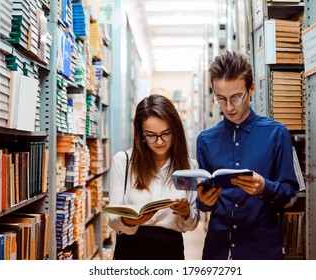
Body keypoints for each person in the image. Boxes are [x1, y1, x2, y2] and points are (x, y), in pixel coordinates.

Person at [196, 50, 299, 260]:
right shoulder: (205, 140)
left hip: (261, 250)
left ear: (251, 89)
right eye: (221, 99)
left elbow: (290, 193)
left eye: (236, 97)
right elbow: (202, 201)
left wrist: (264, 187)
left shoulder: (277, 133)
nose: (229, 107)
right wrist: (204, 201)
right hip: (217, 251)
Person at [107, 94, 200, 260]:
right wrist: (131, 221)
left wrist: (186, 213)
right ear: (141, 135)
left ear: (176, 131)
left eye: (165, 133)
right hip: (130, 250)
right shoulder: (123, 161)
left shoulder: (189, 167)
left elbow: (192, 224)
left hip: (170, 251)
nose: (159, 142)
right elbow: (112, 219)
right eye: (150, 135)